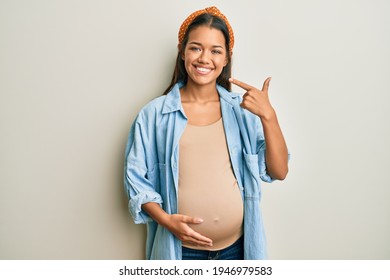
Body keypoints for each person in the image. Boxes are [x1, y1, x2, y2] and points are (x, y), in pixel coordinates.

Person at [124, 6, 289, 260]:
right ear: (182, 52)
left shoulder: (243, 112)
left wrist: (269, 116)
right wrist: (166, 220)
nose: (204, 58)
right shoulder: (154, 115)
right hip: (181, 252)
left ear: (226, 58)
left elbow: (279, 171)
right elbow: (136, 180)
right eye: (195, 48)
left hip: (238, 250)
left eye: (215, 51)